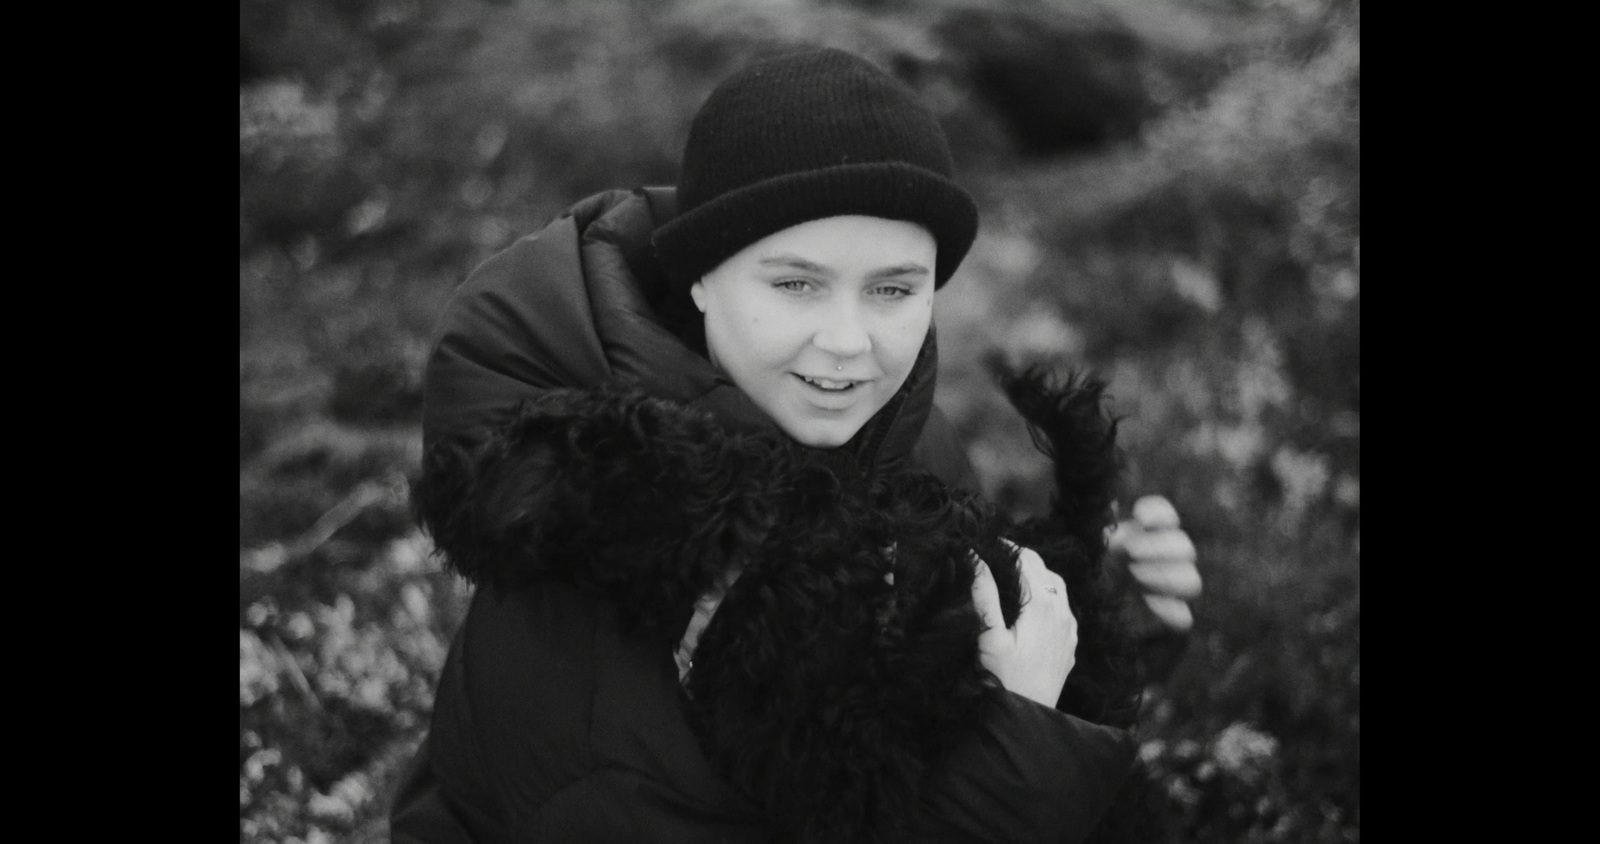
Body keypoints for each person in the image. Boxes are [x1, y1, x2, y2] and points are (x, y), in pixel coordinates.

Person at [389, 47, 1196, 843]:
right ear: (701, 275)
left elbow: (933, 661)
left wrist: (1085, 596)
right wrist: (1017, 754)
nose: (848, 342)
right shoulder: (601, 547)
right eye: (796, 283)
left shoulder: (892, 437)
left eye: (892, 289)